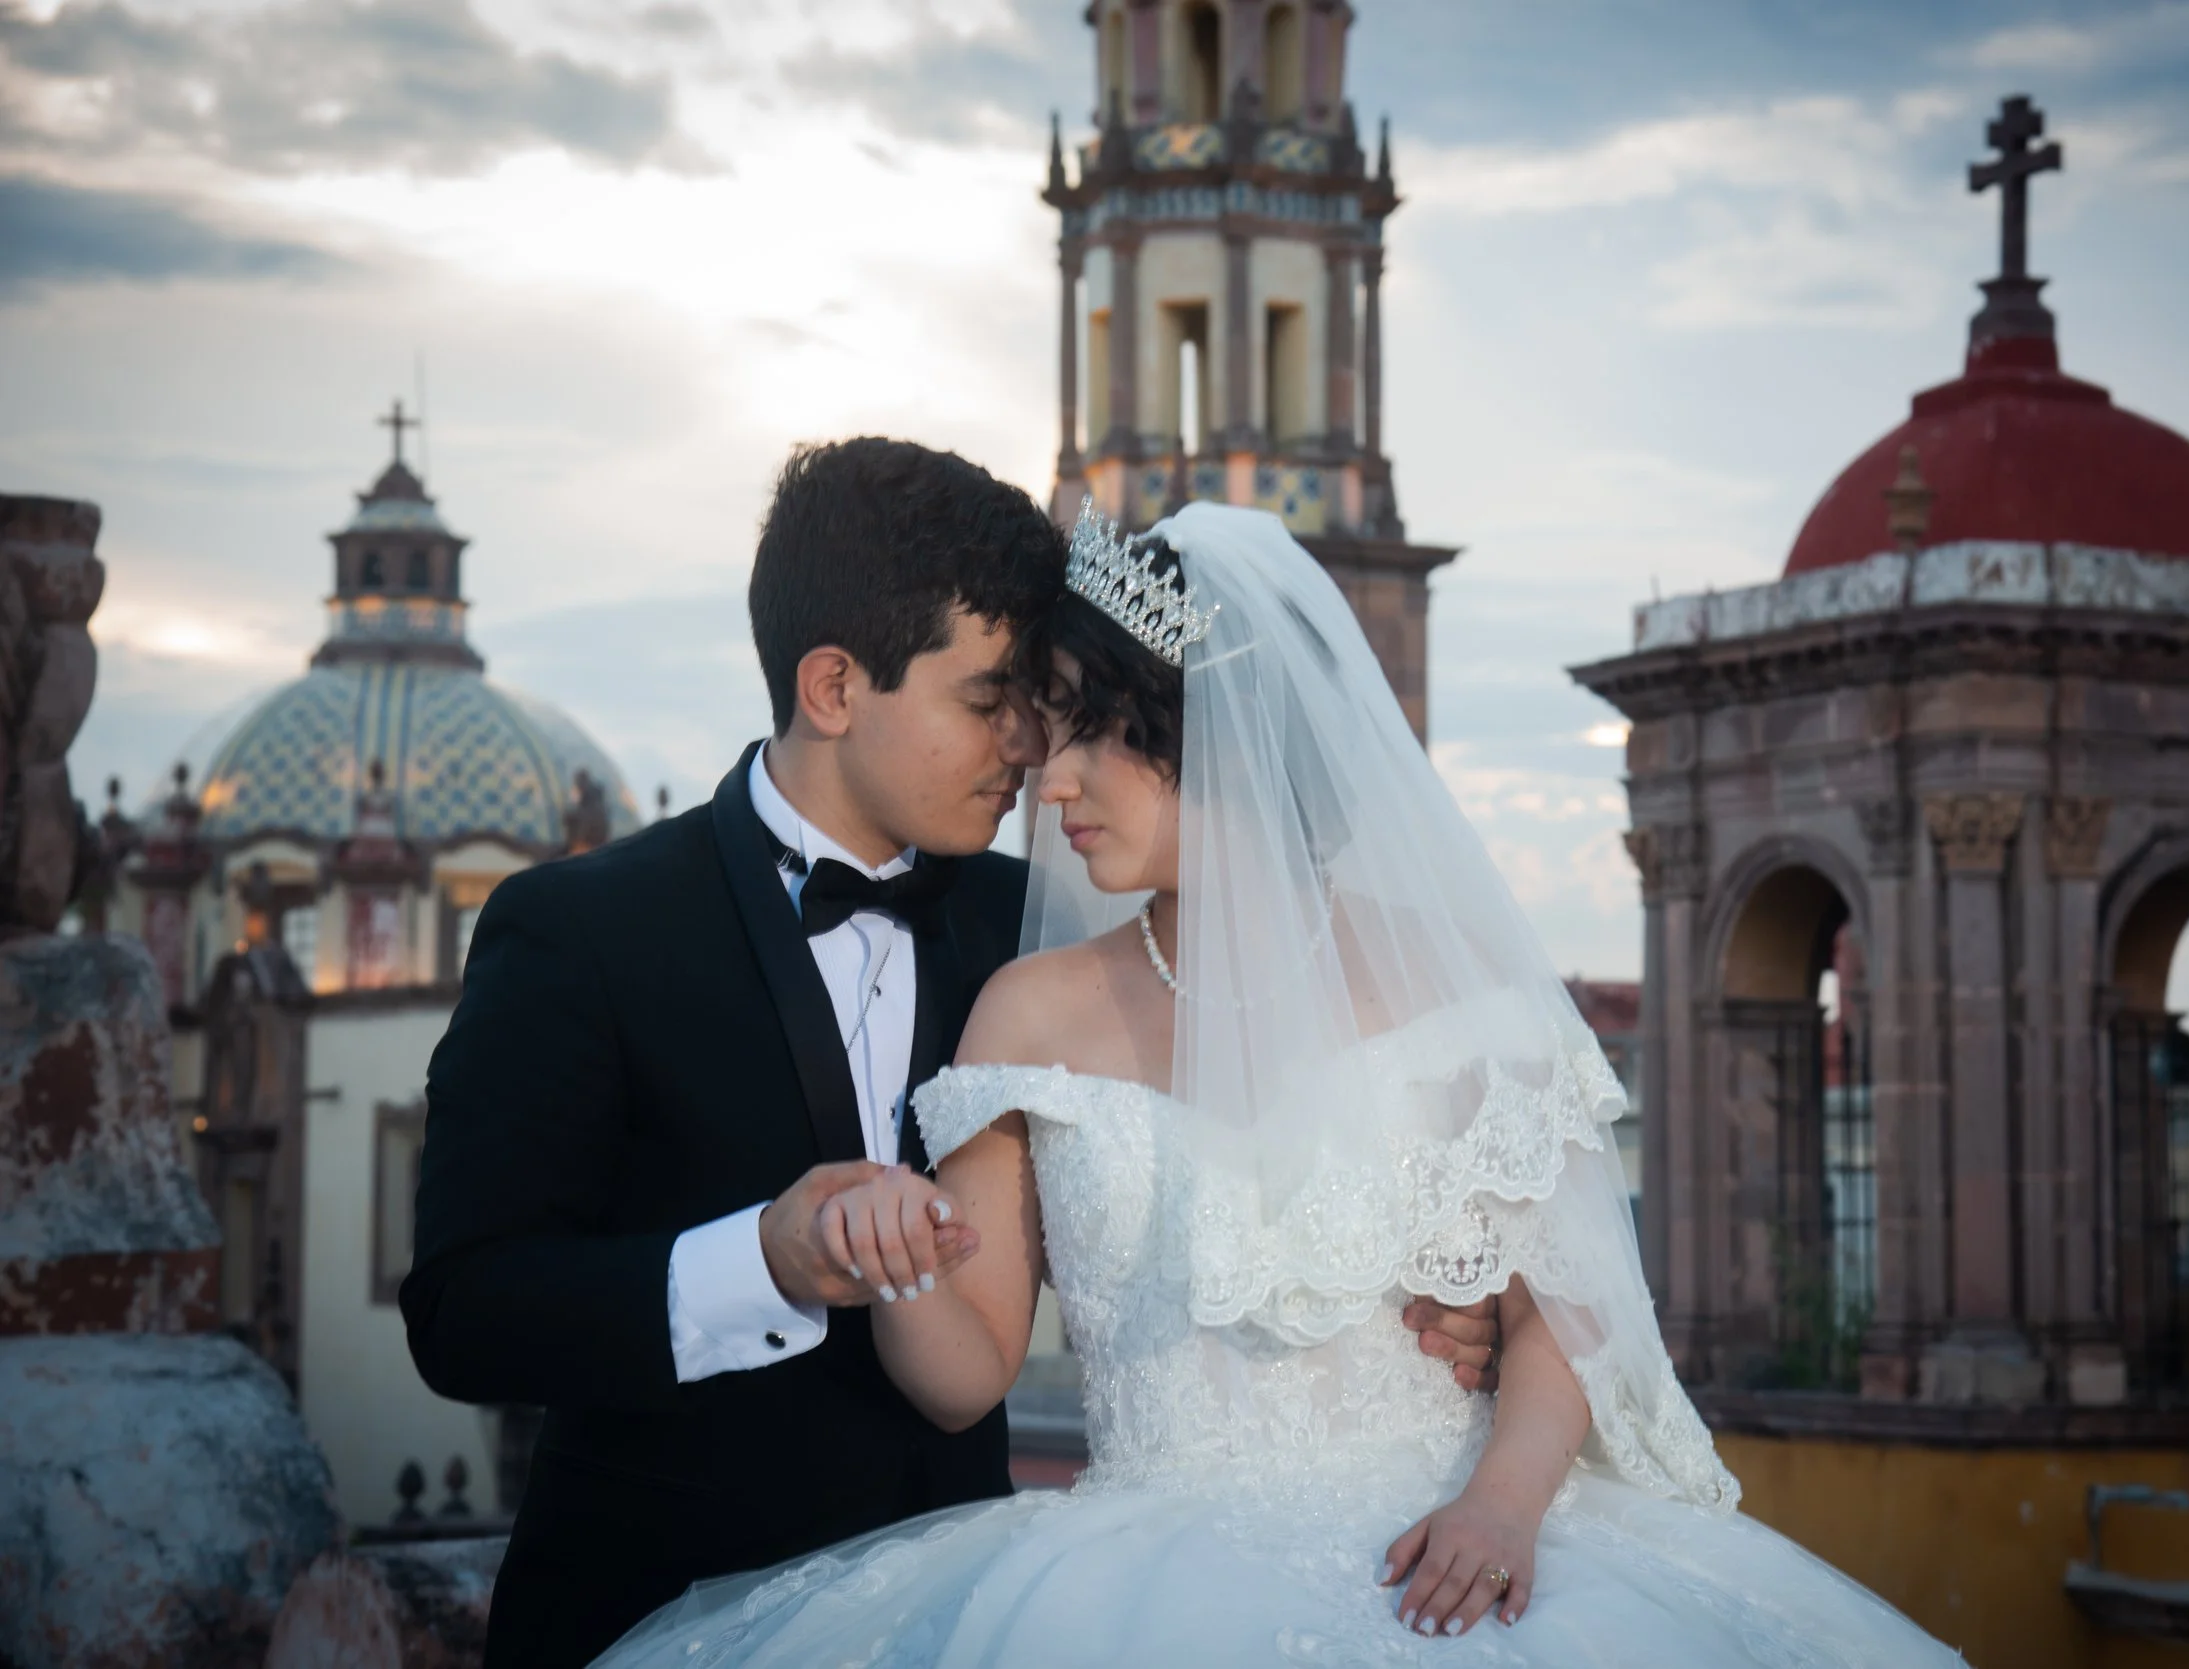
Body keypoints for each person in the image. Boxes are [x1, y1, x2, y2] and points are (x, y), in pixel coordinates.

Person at [594, 502, 1966, 1666]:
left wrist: (1500, 1506)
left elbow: (1572, 1307)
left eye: (1086, 734)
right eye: (1039, 734)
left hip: (1455, 1548)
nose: (1043, 778)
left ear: (1217, 729)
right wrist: (885, 1253)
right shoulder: (1033, 1007)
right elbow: (965, 1379)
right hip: (1134, 1579)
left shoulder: (1456, 985)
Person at [401, 440, 1512, 1668]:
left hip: (980, 1619)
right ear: (833, 688)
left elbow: (1280, 1144)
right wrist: (758, 1261)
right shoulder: (579, 930)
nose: (1033, 747)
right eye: (991, 702)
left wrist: (1446, 1313)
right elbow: (465, 1312)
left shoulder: (1046, 927)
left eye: (1044, 705)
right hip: (662, 1604)